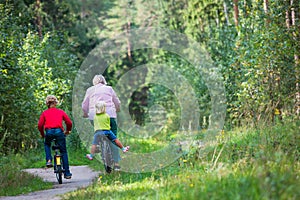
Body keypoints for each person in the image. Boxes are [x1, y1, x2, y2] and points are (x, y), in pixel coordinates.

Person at [82, 74, 122, 170]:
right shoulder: (109, 89)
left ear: (94, 82)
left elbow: (84, 105)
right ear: (104, 81)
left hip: (94, 115)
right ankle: (116, 164)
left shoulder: (90, 90)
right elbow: (117, 102)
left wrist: (85, 114)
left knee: (98, 130)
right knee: (113, 138)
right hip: (110, 115)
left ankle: (98, 145)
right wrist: (117, 109)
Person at [38, 95, 73, 179]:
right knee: (63, 151)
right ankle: (67, 173)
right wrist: (68, 130)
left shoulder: (44, 113)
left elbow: (40, 125)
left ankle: (49, 160)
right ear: (55, 103)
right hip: (59, 132)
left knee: (47, 144)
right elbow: (69, 122)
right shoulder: (60, 112)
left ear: (47, 103)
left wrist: (43, 134)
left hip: (49, 132)